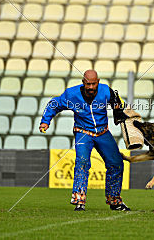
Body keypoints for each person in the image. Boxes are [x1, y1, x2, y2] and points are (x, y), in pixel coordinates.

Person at [39, 69, 130, 211]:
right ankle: (79, 200)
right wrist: (46, 121)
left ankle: (115, 201)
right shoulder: (71, 94)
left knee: (116, 163)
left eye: (94, 84)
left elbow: (118, 103)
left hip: (102, 132)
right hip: (83, 132)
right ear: (83, 83)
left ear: (98, 82)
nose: (91, 87)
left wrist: (120, 113)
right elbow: (54, 104)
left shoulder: (106, 91)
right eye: (88, 84)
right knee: (82, 162)